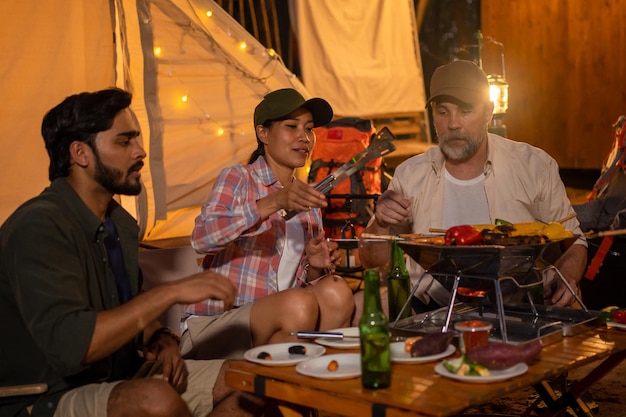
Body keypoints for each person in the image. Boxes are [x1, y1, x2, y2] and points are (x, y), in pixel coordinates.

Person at [0, 88, 266, 417]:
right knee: (154, 399)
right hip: (45, 397)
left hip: (120, 377)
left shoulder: (120, 224)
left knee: (253, 380)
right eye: (123, 142)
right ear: (80, 153)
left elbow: (128, 310)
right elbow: (75, 347)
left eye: (136, 139)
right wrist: (170, 292)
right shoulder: (39, 227)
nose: (140, 151)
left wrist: (162, 336)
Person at [359, 60, 587, 312]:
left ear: (489, 111)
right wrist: (381, 224)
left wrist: (567, 278)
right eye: (442, 112)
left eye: (465, 110)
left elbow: (575, 242)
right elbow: (371, 261)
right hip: (434, 310)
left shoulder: (534, 166)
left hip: (520, 306)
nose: (453, 124)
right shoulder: (411, 174)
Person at [182, 88, 355, 360]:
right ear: (263, 134)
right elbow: (202, 238)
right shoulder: (239, 178)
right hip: (219, 323)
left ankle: (314, 386)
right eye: (291, 126)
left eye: (309, 129)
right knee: (298, 304)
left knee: (336, 291)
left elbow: (300, 286)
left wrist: (314, 267)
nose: (304, 137)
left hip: (284, 319)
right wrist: (272, 203)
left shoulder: (306, 200)